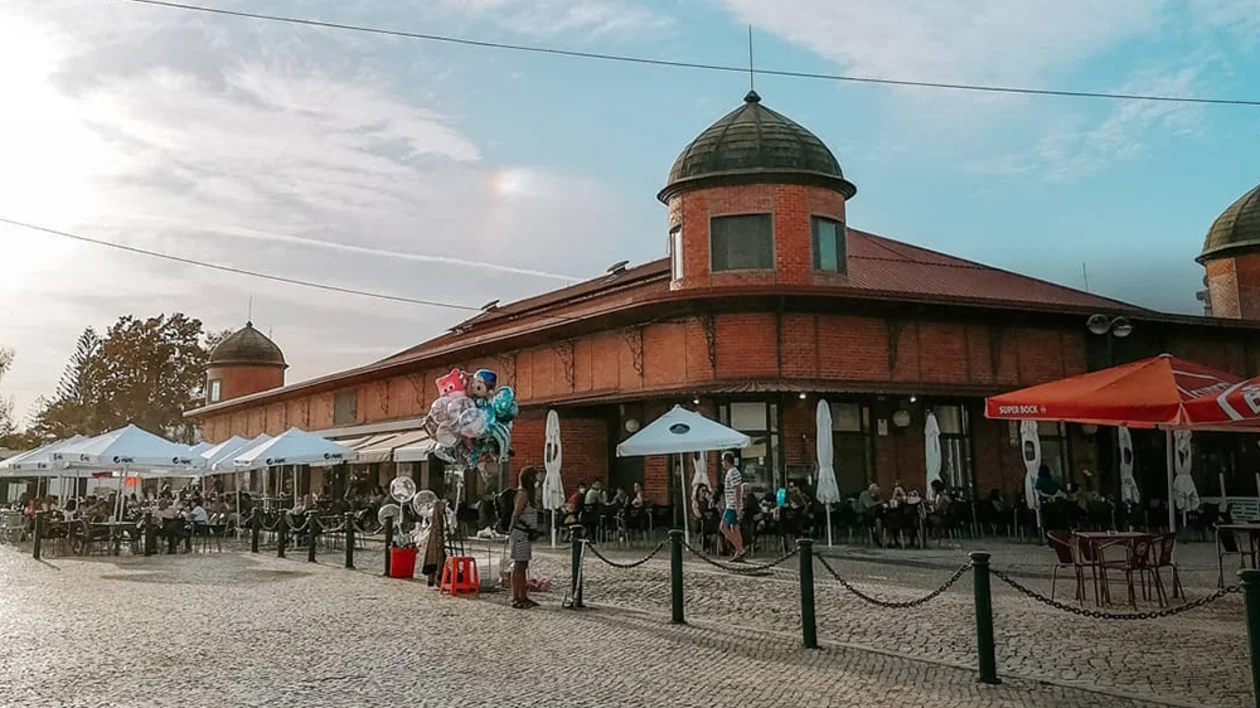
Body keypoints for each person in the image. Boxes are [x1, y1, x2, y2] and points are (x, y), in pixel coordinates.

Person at [509, 466, 542, 609]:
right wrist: (511, 528)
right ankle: (517, 597)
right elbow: (516, 513)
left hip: (525, 533)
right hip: (520, 532)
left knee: (523, 565)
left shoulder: (528, 493)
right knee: (519, 565)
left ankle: (523, 595)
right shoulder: (522, 494)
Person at [719, 452, 746, 561]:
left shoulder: (732, 472)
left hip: (732, 506)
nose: (722, 464)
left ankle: (740, 549)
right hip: (732, 504)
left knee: (723, 527)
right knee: (734, 528)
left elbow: (737, 489)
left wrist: (738, 506)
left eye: (722, 461)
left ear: (726, 461)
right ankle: (739, 553)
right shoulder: (732, 472)